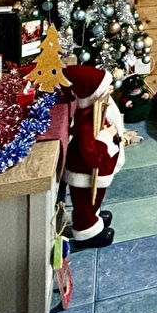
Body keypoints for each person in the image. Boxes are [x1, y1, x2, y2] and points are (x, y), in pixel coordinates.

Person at [64, 63, 124, 248]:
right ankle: (86, 233)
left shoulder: (97, 111)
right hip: (86, 172)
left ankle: (94, 218)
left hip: (95, 173)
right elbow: (92, 155)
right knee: (85, 203)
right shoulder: (87, 122)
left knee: (94, 199)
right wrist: (106, 137)